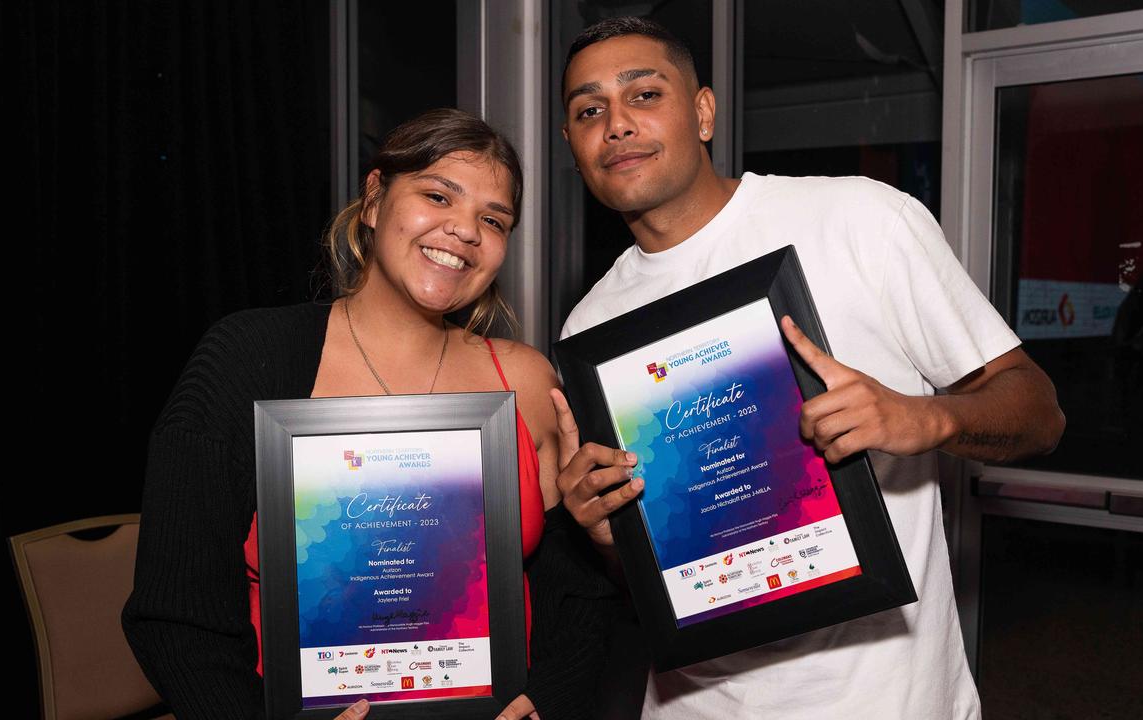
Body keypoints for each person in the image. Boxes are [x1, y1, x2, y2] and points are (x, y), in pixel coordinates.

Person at [549, 17, 1066, 718]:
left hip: (883, 700)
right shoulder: (591, 326)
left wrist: (924, 416)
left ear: (702, 112)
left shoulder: (857, 219)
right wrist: (611, 534)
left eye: (643, 95)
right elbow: (650, 571)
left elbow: (1037, 410)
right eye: (589, 110)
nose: (616, 124)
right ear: (573, 146)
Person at [123, 109, 614, 720]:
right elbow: (175, 614)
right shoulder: (248, 359)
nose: (465, 231)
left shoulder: (527, 380)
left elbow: (577, 589)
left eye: (493, 220)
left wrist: (544, 700)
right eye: (438, 195)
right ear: (376, 199)